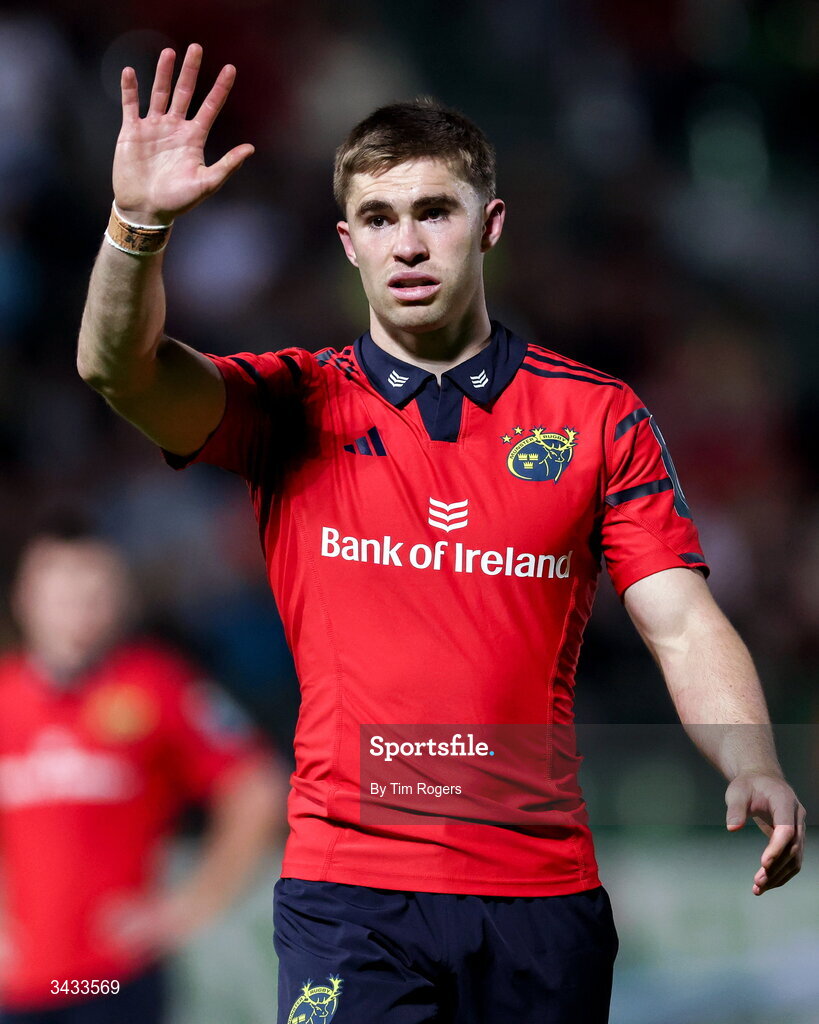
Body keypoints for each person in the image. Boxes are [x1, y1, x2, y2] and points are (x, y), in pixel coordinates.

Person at [76, 43, 806, 1024]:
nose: (407, 243)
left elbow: (678, 619)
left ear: (489, 225)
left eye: (434, 212)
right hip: (352, 896)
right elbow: (121, 372)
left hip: (540, 900)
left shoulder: (597, 418)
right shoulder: (294, 401)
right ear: (348, 242)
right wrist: (138, 224)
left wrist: (750, 757)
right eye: (379, 218)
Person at [0, 523, 286, 1023]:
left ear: (119, 600)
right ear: (25, 596)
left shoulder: (156, 686)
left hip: (109, 977)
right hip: (14, 982)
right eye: (61, 590)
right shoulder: (6, 696)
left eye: (94, 591)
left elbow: (257, 788)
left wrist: (188, 906)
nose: (78, 607)